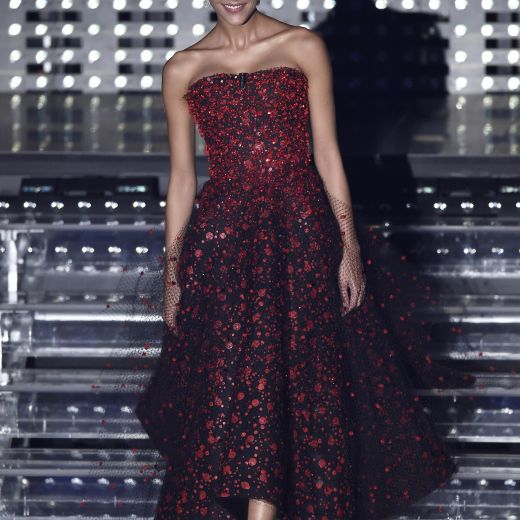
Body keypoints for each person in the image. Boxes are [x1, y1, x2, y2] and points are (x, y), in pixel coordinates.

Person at [134, 1, 476, 519]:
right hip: (226, 246)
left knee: (295, 389)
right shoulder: (182, 67)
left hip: (301, 237)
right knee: (239, 388)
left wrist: (349, 247)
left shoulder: (302, 47)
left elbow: (328, 154)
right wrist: (173, 273)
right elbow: (182, 178)